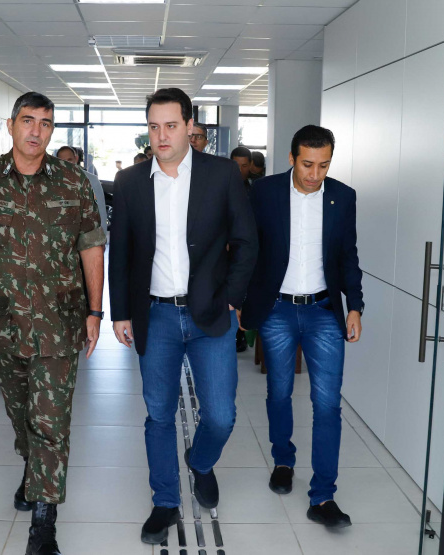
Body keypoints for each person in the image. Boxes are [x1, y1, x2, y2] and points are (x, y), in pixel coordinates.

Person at [0, 92, 107, 555]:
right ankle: (32, 466)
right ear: (11, 124)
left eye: (45, 122)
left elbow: (92, 247)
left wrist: (95, 312)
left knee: (52, 424)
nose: (36, 130)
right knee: (22, 418)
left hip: (60, 326)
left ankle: (44, 526)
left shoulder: (74, 183)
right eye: (28, 120)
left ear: (53, 130)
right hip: (4, 324)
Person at [109, 88, 258, 545]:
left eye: (171, 126)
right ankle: (165, 500)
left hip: (210, 315)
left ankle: (200, 461)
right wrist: (120, 313)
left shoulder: (221, 175)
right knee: (158, 414)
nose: (161, 136)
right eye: (153, 127)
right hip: (154, 315)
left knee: (220, 415)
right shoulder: (132, 181)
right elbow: (123, 254)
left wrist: (232, 299)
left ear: (191, 126)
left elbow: (247, 241)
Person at [240, 125, 364, 530]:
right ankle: (283, 459)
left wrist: (355, 306)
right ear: (292, 158)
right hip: (276, 309)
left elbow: (348, 255)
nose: (315, 174)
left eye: (324, 165)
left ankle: (323, 495)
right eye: (308, 164)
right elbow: (247, 249)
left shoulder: (342, 197)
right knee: (279, 391)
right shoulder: (264, 193)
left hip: (324, 312)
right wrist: (240, 300)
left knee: (327, 403)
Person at [229, 146, 255, 353]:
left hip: (248, 251)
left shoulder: (255, 190)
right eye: (236, 166)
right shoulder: (221, 187)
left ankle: (243, 333)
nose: (240, 170)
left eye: (244, 166)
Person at [57, 146, 107, 232]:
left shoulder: (91, 180)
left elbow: (101, 211)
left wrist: (102, 238)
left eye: (69, 160)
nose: (66, 164)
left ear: (76, 159)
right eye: (62, 161)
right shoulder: (52, 181)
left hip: (86, 236)